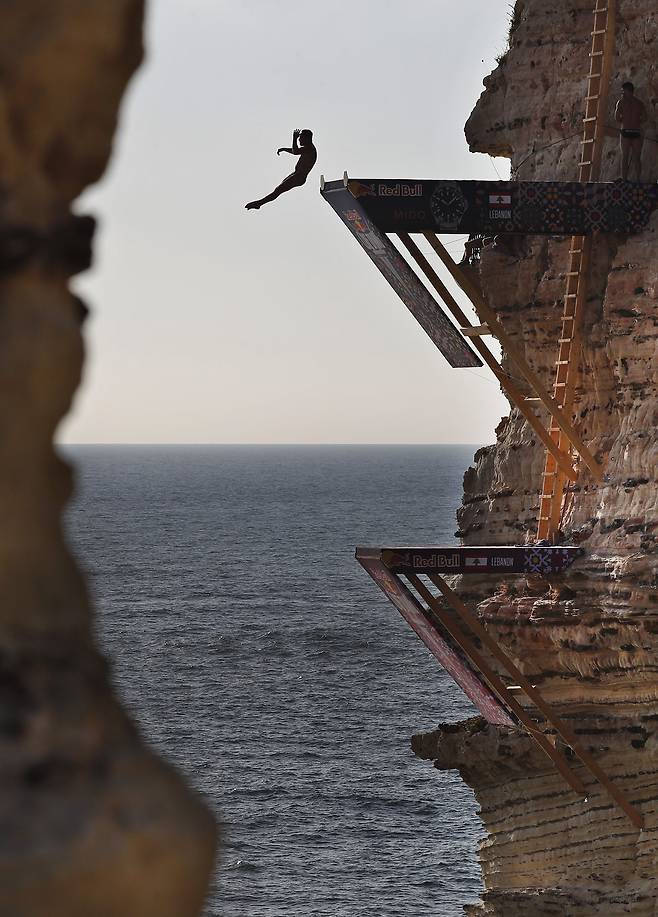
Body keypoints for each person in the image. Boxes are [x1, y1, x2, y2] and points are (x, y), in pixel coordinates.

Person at [245, 129, 317, 210]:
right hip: (297, 175)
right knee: (278, 190)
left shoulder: (310, 148)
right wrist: (284, 149)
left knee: (277, 191)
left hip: (299, 177)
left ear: (307, 138)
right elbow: (295, 151)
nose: (299, 139)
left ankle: (258, 204)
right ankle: (259, 203)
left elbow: (296, 151)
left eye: (301, 137)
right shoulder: (307, 148)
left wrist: (294, 138)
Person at [615, 82, 647, 180]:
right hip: (636, 131)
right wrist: (637, 122)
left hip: (626, 131)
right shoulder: (639, 103)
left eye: (623, 91)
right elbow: (645, 118)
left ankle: (625, 179)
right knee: (636, 157)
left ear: (627, 91)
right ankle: (637, 179)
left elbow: (616, 118)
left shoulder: (621, 103)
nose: (622, 93)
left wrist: (624, 121)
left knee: (626, 156)